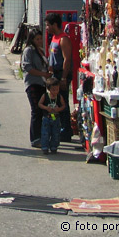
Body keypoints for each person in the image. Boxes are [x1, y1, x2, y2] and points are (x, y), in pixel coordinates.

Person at [21, 28, 52, 148]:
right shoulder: (29, 51)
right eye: (37, 39)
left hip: (42, 84)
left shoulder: (41, 51)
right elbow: (28, 68)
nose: (39, 41)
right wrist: (43, 74)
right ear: (32, 39)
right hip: (32, 83)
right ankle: (35, 138)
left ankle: (42, 135)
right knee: (36, 110)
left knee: (42, 110)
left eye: (40, 39)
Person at [44, 13, 72, 142]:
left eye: (48, 25)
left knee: (62, 101)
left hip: (61, 74)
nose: (47, 28)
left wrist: (63, 78)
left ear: (55, 24)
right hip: (54, 73)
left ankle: (66, 131)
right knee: (54, 101)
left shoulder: (63, 39)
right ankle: (58, 128)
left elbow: (67, 59)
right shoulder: (54, 38)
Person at [38, 77, 65, 155]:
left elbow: (63, 105)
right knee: (45, 133)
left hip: (56, 118)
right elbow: (40, 104)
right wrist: (46, 108)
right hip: (47, 117)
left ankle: (54, 147)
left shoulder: (59, 96)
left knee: (55, 133)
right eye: (53, 90)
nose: (55, 91)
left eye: (57, 89)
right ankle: (45, 147)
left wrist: (58, 109)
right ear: (49, 89)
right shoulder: (45, 96)